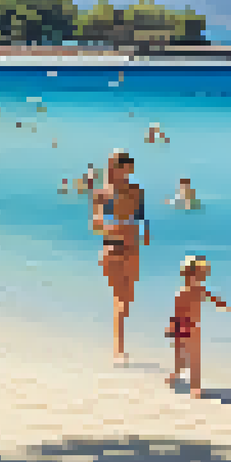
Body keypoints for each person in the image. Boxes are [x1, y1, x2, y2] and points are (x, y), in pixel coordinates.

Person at [91, 149, 148, 364]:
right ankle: (118, 348)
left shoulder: (136, 190)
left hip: (133, 248)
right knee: (119, 299)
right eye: (116, 164)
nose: (122, 169)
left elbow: (141, 217)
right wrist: (117, 228)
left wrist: (145, 232)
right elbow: (95, 224)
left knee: (128, 298)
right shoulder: (102, 194)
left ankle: (120, 346)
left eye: (125, 165)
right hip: (112, 247)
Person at [167, 255, 231, 399]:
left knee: (193, 357)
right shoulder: (187, 291)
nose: (197, 277)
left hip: (191, 326)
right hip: (182, 325)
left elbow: (214, 299)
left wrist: (221, 304)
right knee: (182, 357)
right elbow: (177, 311)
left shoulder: (198, 289)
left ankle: (195, 386)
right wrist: (172, 328)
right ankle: (177, 376)